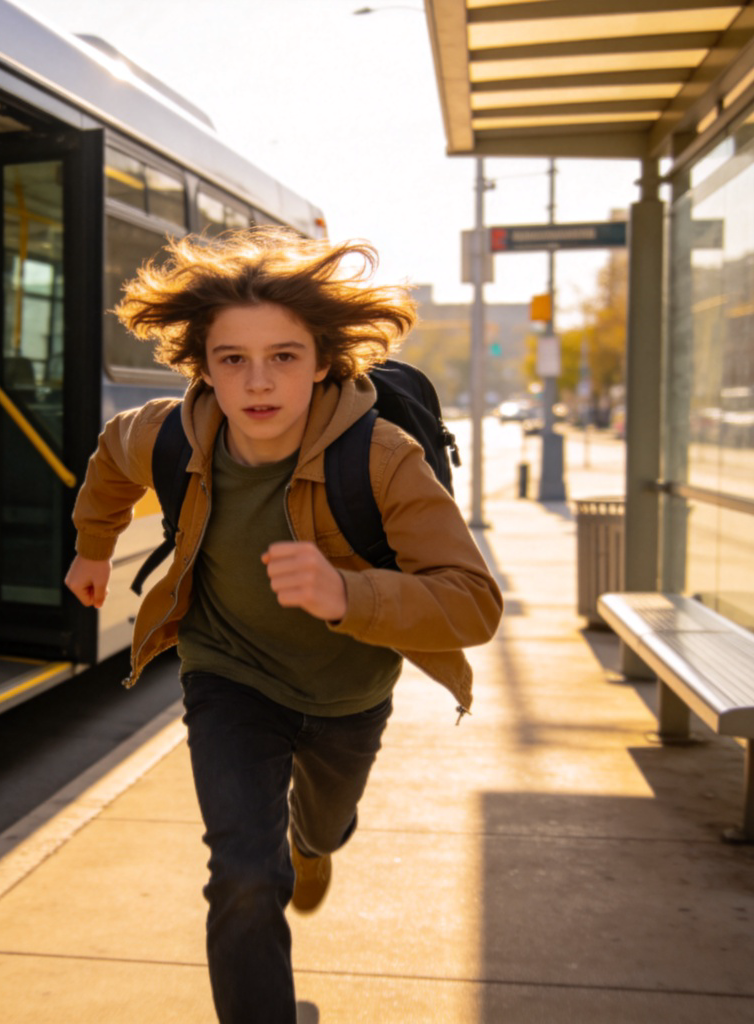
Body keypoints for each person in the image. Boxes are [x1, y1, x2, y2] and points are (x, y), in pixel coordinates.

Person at [64, 226, 503, 1023]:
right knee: (242, 871)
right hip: (228, 674)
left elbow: (472, 601)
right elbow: (110, 462)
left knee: (322, 832)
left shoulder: (382, 458)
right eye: (233, 359)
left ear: (323, 360)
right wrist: (92, 550)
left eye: (284, 357)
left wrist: (348, 594)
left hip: (348, 693)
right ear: (204, 365)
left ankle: (313, 839)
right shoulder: (169, 431)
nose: (257, 383)